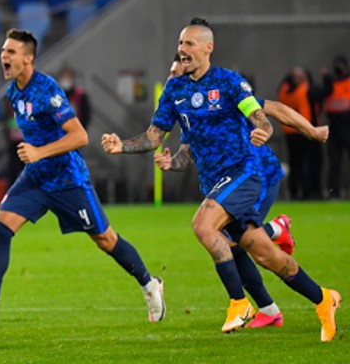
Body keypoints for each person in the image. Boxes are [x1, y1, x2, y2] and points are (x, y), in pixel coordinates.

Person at [101, 18, 341, 341]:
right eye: (180, 43)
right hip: (217, 183)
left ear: (208, 47)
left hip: (245, 172)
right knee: (265, 255)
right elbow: (154, 136)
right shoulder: (175, 90)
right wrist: (122, 146)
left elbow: (260, 115)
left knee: (203, 225)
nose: (182, 49)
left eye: (189, 43)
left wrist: (268, 130)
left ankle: (240, 303)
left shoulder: (229, 82)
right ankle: (323, 299)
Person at [0, 28, 164, 332]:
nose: (3, 56)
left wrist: (39, 152)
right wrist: (36, 157)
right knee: (1, 227)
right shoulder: (13, 92)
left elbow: (80, 136)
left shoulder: (47, 90)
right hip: (36, 178)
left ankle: (150, 285)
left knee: (106, 240)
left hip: (68, 180)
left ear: (28, 58)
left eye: (11, 52)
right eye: (3, 51)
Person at [156, 54, 330, 329]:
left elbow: (275, 109)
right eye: (171, 74)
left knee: (233, 240)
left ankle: (273, 237)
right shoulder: (190, 111)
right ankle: (271, 307)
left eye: (177, 73)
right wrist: (171, 163)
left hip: (258, 176)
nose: (173, 79)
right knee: (234, 242)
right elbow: (186, 153)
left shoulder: (225, 93)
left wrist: (312, 131)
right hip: (229, 182)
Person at [277, 67, 323, 199]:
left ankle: (296, 191)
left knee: (296, 163)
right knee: (308, 163)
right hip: (304, 130)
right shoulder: (305, 89)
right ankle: (308, 192)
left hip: (291, 132)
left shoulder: (284, 90)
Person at [321, 55, 350, 198]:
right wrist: (326, 80)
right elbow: (323, 94)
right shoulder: (330, 83)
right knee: (334, 163)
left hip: (348, 127)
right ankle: (334, 192)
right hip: (334, 128)